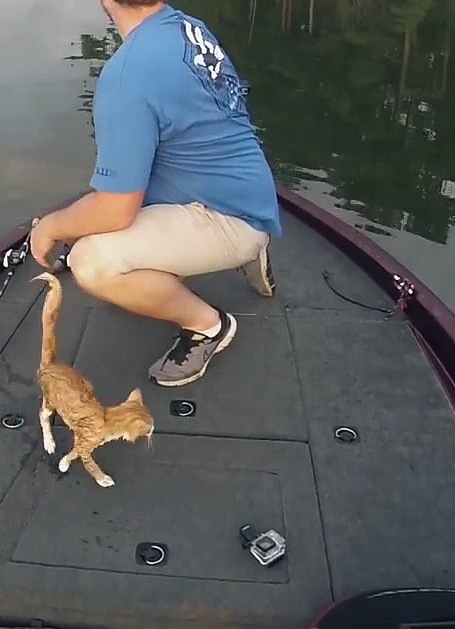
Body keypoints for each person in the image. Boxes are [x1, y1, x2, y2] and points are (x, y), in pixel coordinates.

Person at [29, 0, 281, 388]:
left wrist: (50, 228)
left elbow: (115, 210)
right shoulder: (185, 27)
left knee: (92, 262)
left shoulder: (127, 76)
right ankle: (247, 241)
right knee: (112, 187)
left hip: (227, 215)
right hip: (250, 189)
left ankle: (208, 326)